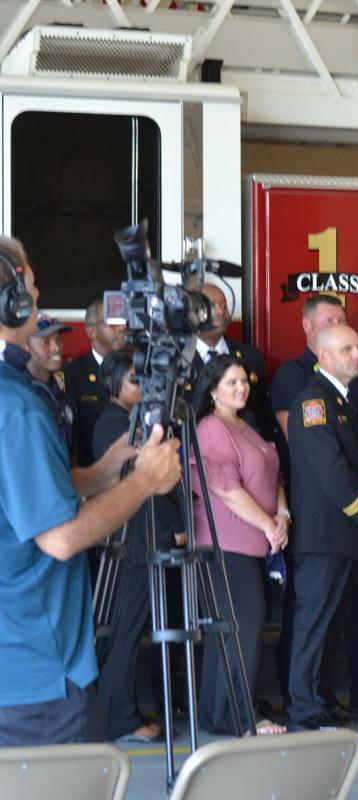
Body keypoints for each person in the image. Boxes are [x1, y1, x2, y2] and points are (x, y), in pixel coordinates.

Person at [0, 237, 181, 747]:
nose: (36, 302)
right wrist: (145, 481)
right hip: (39, 676)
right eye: (31, 291)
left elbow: (23, 494)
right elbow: (58, 538)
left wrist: (104, 471)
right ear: (11, 302)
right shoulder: (14, 407)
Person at [270, 295, 358, 718]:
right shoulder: (313, 402)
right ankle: (305, 706)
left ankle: (324, 699)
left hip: (346, 533)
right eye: (347, 349)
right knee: (313, 625)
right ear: (322, 355)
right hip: (324, 534)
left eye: (357, 347)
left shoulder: (342, 401)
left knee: (334, 624)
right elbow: (331, 469)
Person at [190, 354, 289, 735]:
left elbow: (274, 477)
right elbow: (227, 490)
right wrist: (268, 524)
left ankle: (218, 716)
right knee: (242, 627)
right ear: (213, 390)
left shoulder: (246, 424)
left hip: (255, 540)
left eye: (244, 381)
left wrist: (282, 517)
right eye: (231, 382)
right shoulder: (213, 428)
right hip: (224, 542)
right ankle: (240, 718)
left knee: (230, 630)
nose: (241, 388)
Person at [91, 349, 187, 743]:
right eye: (135, 379)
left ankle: (119, 712)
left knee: (132, 629)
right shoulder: (115, 423)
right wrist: (171, 529)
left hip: (141, 537)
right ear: (113, 382)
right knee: (125, 632)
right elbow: (140, 487)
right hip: (131, 540)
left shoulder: (135, 421)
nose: (143, 387)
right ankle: (121, 718)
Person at [185, 284, 274, 439]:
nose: (220, 311)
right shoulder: (175, 359)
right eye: (212, 306)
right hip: (192, 454)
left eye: (223, 305)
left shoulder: (251, 357)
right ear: (192, 313)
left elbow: (263, 414)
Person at [63, 298, 127, 467]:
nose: (121, 328)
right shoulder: (72, 374)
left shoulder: (139, 368)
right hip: (93, 476)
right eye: (112, 323)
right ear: (92, 332)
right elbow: (72, 437)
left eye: (123, 322)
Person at [26, 312, 76, 452]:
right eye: (46, 342)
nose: (56, 348)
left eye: (58, 340)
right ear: (26, 347)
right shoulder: (19, 397)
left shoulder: (64, 399)